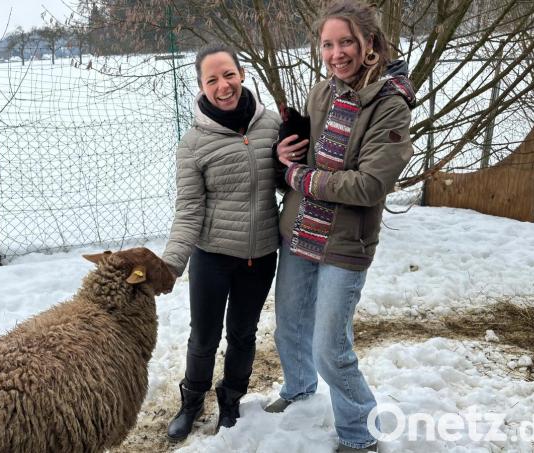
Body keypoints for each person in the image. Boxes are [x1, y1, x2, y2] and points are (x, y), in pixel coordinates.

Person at [267, 1, 416, 452]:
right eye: (328, 44)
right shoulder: (322, 92)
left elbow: (370, 184)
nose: (337, 53)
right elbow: (304, 157)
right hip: (300, 231)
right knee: (290, 325)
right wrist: (284, 157)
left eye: (346, 42)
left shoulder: (390, 104)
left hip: (345, 243)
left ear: (370, 43)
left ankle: (360, 432)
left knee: (331, 348)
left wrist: (300, 178)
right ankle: (298, 387)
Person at [161, 42, 281, 441]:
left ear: (242, 74)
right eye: (212, 79)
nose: (223, 85)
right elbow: (188, 211)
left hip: (261, 255)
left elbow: (288, 179)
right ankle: (191, 403)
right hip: (212, 257)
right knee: (204, 337)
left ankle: (230, 402)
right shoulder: (193, 144)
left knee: (244, 334)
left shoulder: (271, 126)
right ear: (201, 86)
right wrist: (171, 264)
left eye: (228, 74)